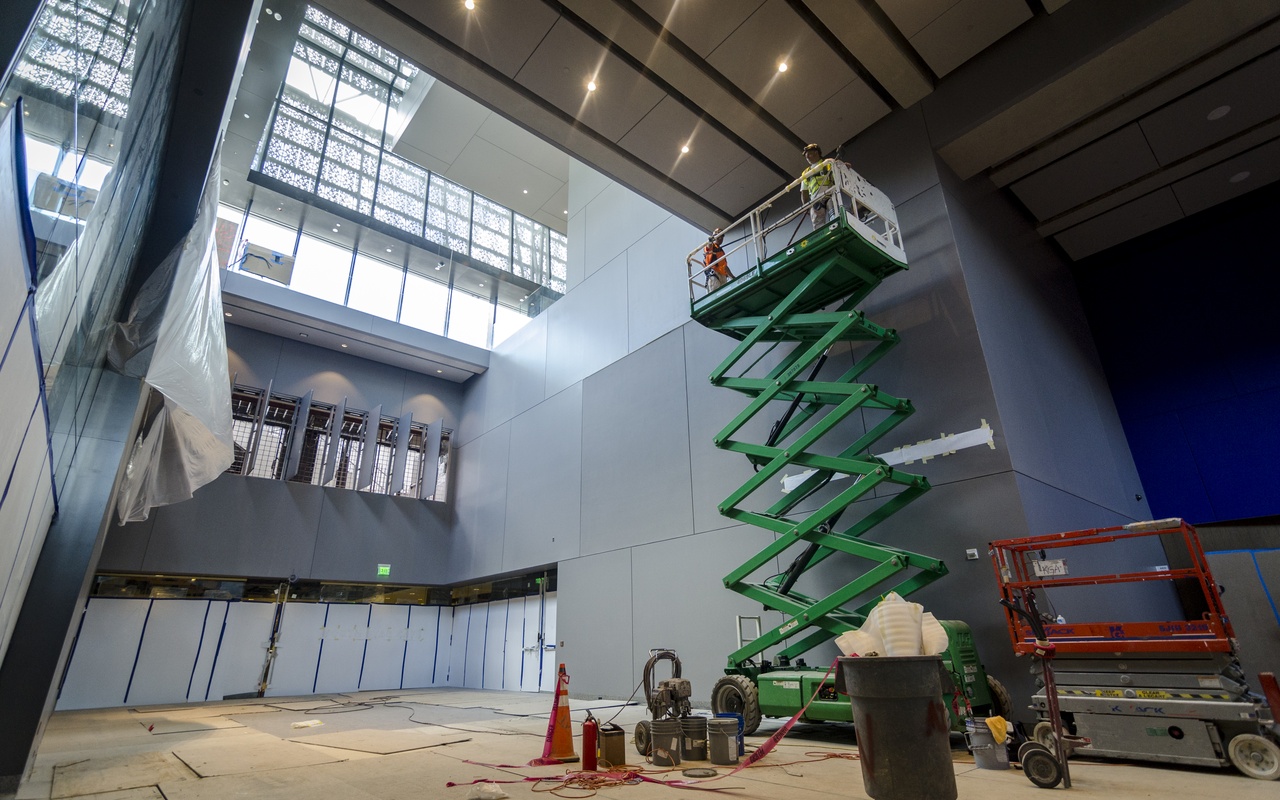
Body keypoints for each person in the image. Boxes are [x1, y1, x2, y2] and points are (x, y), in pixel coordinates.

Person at [798, 143, 852, 228]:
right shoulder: (805, 173)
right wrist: (806, 206)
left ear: (816, 152)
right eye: (806, 156)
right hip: (815, 199)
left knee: (834, 213)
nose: (807, 157)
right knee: (817, 222)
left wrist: (844, 166)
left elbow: (839, 166)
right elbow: (804, 192)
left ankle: (838, 226)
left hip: (829, 193)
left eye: (808, 154)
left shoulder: (828, 162)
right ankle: (821, 234)